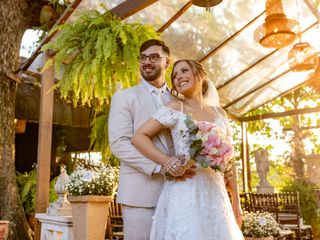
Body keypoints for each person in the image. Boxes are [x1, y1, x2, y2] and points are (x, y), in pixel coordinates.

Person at [132, 59, 243, 239]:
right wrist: (167, 162)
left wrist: (236, 201)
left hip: (215, 192)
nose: (178, 78)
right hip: (184, 189)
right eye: (175, 75)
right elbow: (139, 137)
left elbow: (229, 160)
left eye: (184, 71)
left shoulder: (219, 113)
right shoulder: (175, 108)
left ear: (200, 75)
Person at [108, 39, 195, 240]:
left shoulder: (180, 100)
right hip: (141, 193)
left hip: (180, 191)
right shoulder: (124, 97)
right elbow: (119, 144)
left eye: (154, 57)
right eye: (143, 58)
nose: (147, 62)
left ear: (167, 62)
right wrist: (160, 167)